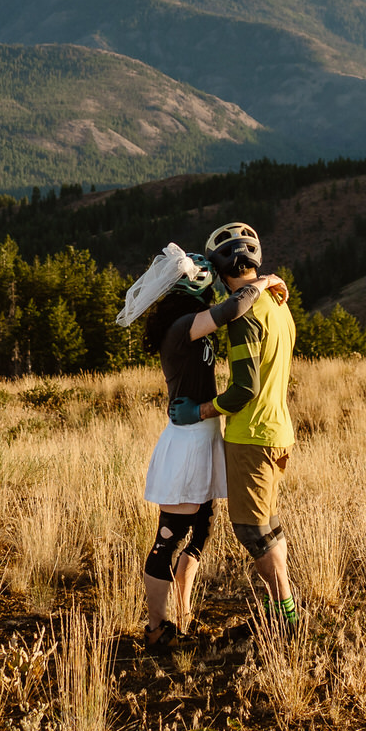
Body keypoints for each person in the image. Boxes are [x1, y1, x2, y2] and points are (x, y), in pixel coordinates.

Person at [114, 242, 278, 650]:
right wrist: (266, 281)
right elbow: (231, 310)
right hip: (187, 442)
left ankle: (183, 617)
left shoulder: (189, 321)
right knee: (169, 537)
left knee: (200, 533)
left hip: (204, 438)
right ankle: (156, 628)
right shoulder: (183, 326)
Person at [173, 220, 300, 631]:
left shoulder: (244, 318)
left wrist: (202, 410)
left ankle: (286, 615)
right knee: (268, 525)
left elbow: (245, 388)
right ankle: (285, 607)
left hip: (252, 434)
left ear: (221, 267)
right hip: (279, 430)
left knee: (251, 529)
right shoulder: (279, 305)